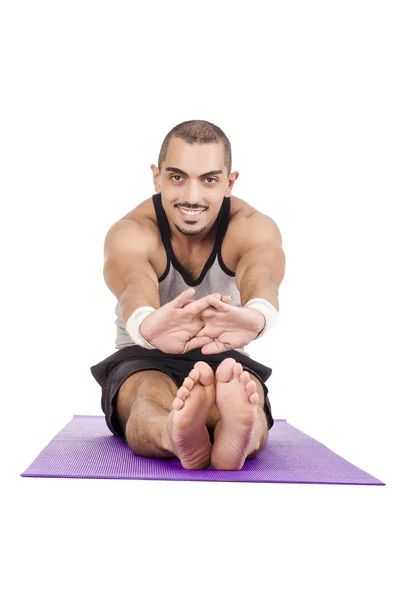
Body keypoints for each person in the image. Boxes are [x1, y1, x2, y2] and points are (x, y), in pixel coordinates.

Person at [90, 119, 286, 471]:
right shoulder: (132, 231)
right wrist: (146, 325)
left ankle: (235, 432)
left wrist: (258, 317)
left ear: (230, 182)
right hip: (142, 355)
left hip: (224, 356)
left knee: (243, 398)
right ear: (157, 177)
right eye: (177, 177)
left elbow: (263, 273)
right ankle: (173, 432)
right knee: (148, 392)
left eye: (209, 180)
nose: (192, 197)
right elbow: (133, 281)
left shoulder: (252, 226)